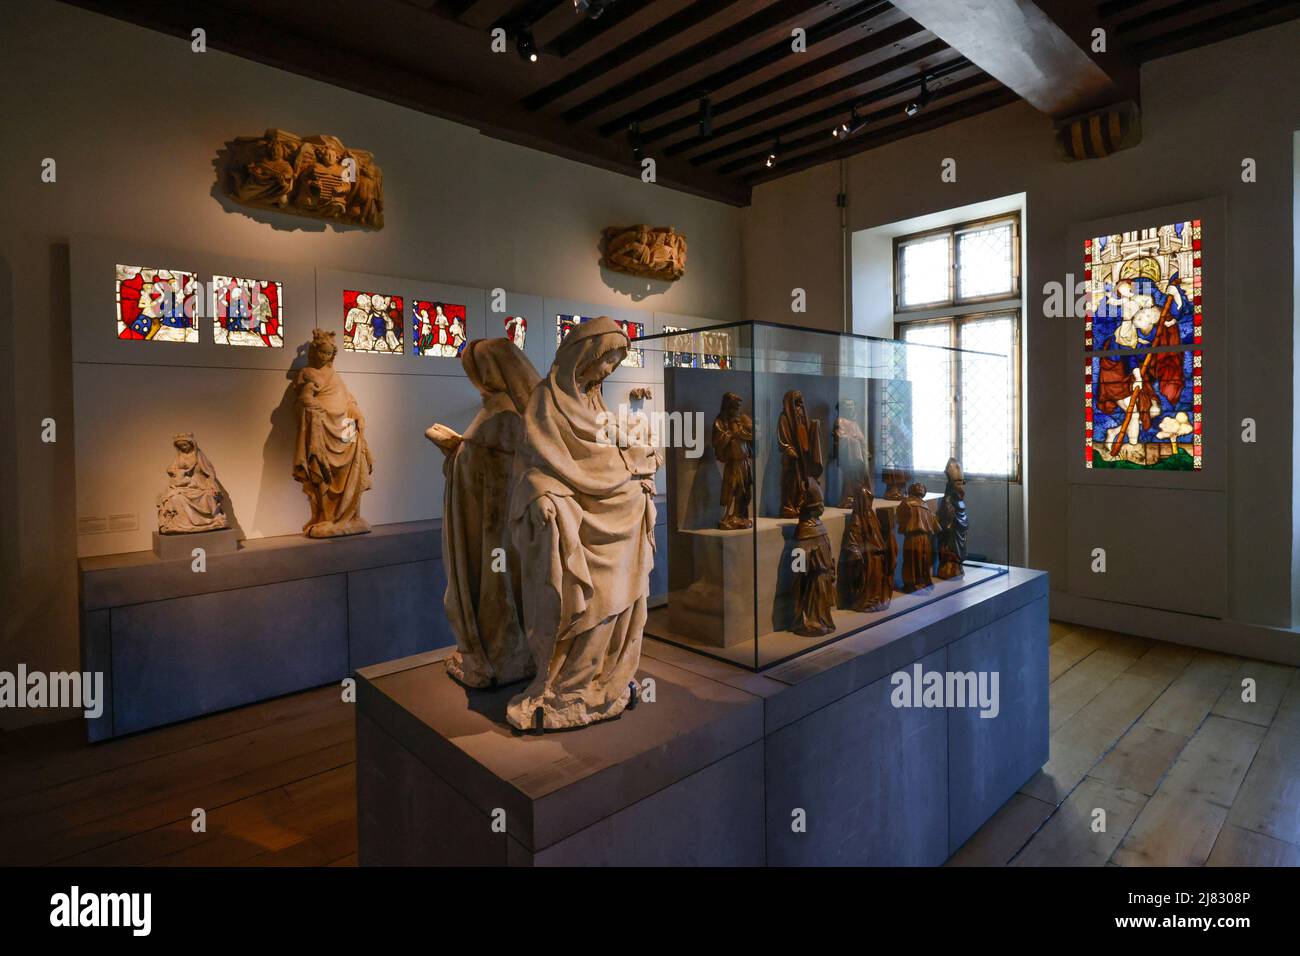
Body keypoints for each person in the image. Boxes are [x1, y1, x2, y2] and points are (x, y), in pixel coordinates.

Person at [505, 317, 659, 731]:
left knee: (616, 601)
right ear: (583, 356)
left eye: (614, 363)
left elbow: (611, 454)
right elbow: (532, 466)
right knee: (586, 598)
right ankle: (565, 683)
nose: (608, 371)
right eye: (605, 361)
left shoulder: (596, 403)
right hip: (576, 517)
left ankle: (600, 674)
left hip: (618, 520)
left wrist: (641, 461)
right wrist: (540, 496)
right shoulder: (546, 402)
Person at [427, 338, 540, 689]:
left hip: (495, 532)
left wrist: (458, 452)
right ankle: (506, 651)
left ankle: (501, 653)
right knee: (499, 579)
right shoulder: (504, 412)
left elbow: (494, 473)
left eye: (477, 369)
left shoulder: (503, 416)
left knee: (497, 582)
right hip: (493, 528)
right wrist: (460, 451)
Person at [293, 329, 373, 537]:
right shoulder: (309, 373)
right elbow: (304, 398)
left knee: (350, 472)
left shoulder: (335, 376)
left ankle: (350, 516)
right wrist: (316, 409)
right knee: (323, 471)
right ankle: (326, 517)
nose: (325, 357)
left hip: (345, 426)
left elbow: (348, 400)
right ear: (315, 351)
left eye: (329, 354)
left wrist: (356, 412)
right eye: (322, 353)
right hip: (323, 428)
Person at [157, 433, 227, 534]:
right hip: (183, 484)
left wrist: (211, 484)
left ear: (192, 444)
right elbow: (171, 469)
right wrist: (177, 472)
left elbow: (209, 472)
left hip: (199, 483)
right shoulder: (179, 457)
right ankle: (181, 524)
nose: (183, 448)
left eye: (185, 445)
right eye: (180, 446)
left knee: (208, 495)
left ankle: (212, 520)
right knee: (176, 497)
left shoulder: (199, 457)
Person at [712, 391, 753, 530]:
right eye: (735, 405)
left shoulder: (742, 419)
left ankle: (738, 515)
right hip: (733, 461)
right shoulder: (721, 420)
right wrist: (730, 434)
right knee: (731, 489)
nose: (737, 409)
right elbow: (718, 440)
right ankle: (726, 516)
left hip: (744, 460)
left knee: (744, 490)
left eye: (738, 406)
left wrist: (742, 430)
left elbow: (751, 433)